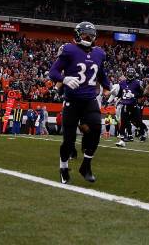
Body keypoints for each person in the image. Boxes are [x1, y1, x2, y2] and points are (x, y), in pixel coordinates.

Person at [49, 22, 111, 184]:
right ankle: (63, 167)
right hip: (72, 100)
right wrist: (64, 79)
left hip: (90, 99)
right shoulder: (69, 50)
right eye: (84, 35)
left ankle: (86, 165)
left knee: (96, 129)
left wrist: (106, 86)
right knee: (68, 141)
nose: (87, 38)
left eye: (90, 35)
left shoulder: (99, 53)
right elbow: (53, 72)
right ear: (77, 35)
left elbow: (101, 72)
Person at [110, 67, 145, 147]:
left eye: (131, 73)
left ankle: (142, 134)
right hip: (125, 105)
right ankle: (122, 140)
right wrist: (114, 95)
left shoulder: (137, 83)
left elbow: (142, 93)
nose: (130, 75)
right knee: (123, 123)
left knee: (138, 121)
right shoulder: (122, 83)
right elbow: (119, 94)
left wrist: (134, 95)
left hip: (134, 105)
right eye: (129, 73)